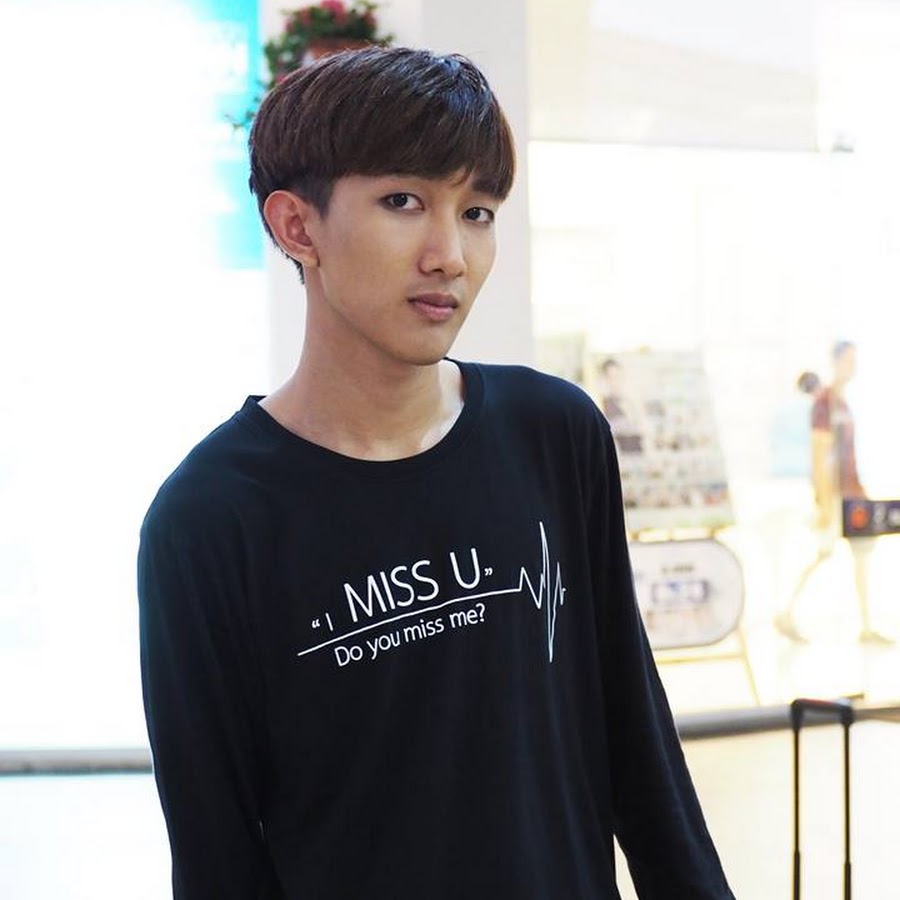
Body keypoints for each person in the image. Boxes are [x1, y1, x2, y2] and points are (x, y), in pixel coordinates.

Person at [138, 47, 734, 899]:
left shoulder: (553, 433)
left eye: (478, 211)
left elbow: (636, 737)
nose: (450, 254)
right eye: (403, 202)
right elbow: (215, 853)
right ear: (297, 226)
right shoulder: (209, 518)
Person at [774, 342, 891, 643]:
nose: (853, 366)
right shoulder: (825, 403)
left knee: (862, 553)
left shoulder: (843, 403)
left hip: (853, 493)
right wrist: (825, 503)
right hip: (836, 496)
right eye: (848, 360)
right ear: (836, 361)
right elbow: (820, 455)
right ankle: (785, 613)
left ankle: (866, 626)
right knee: (823, 552)